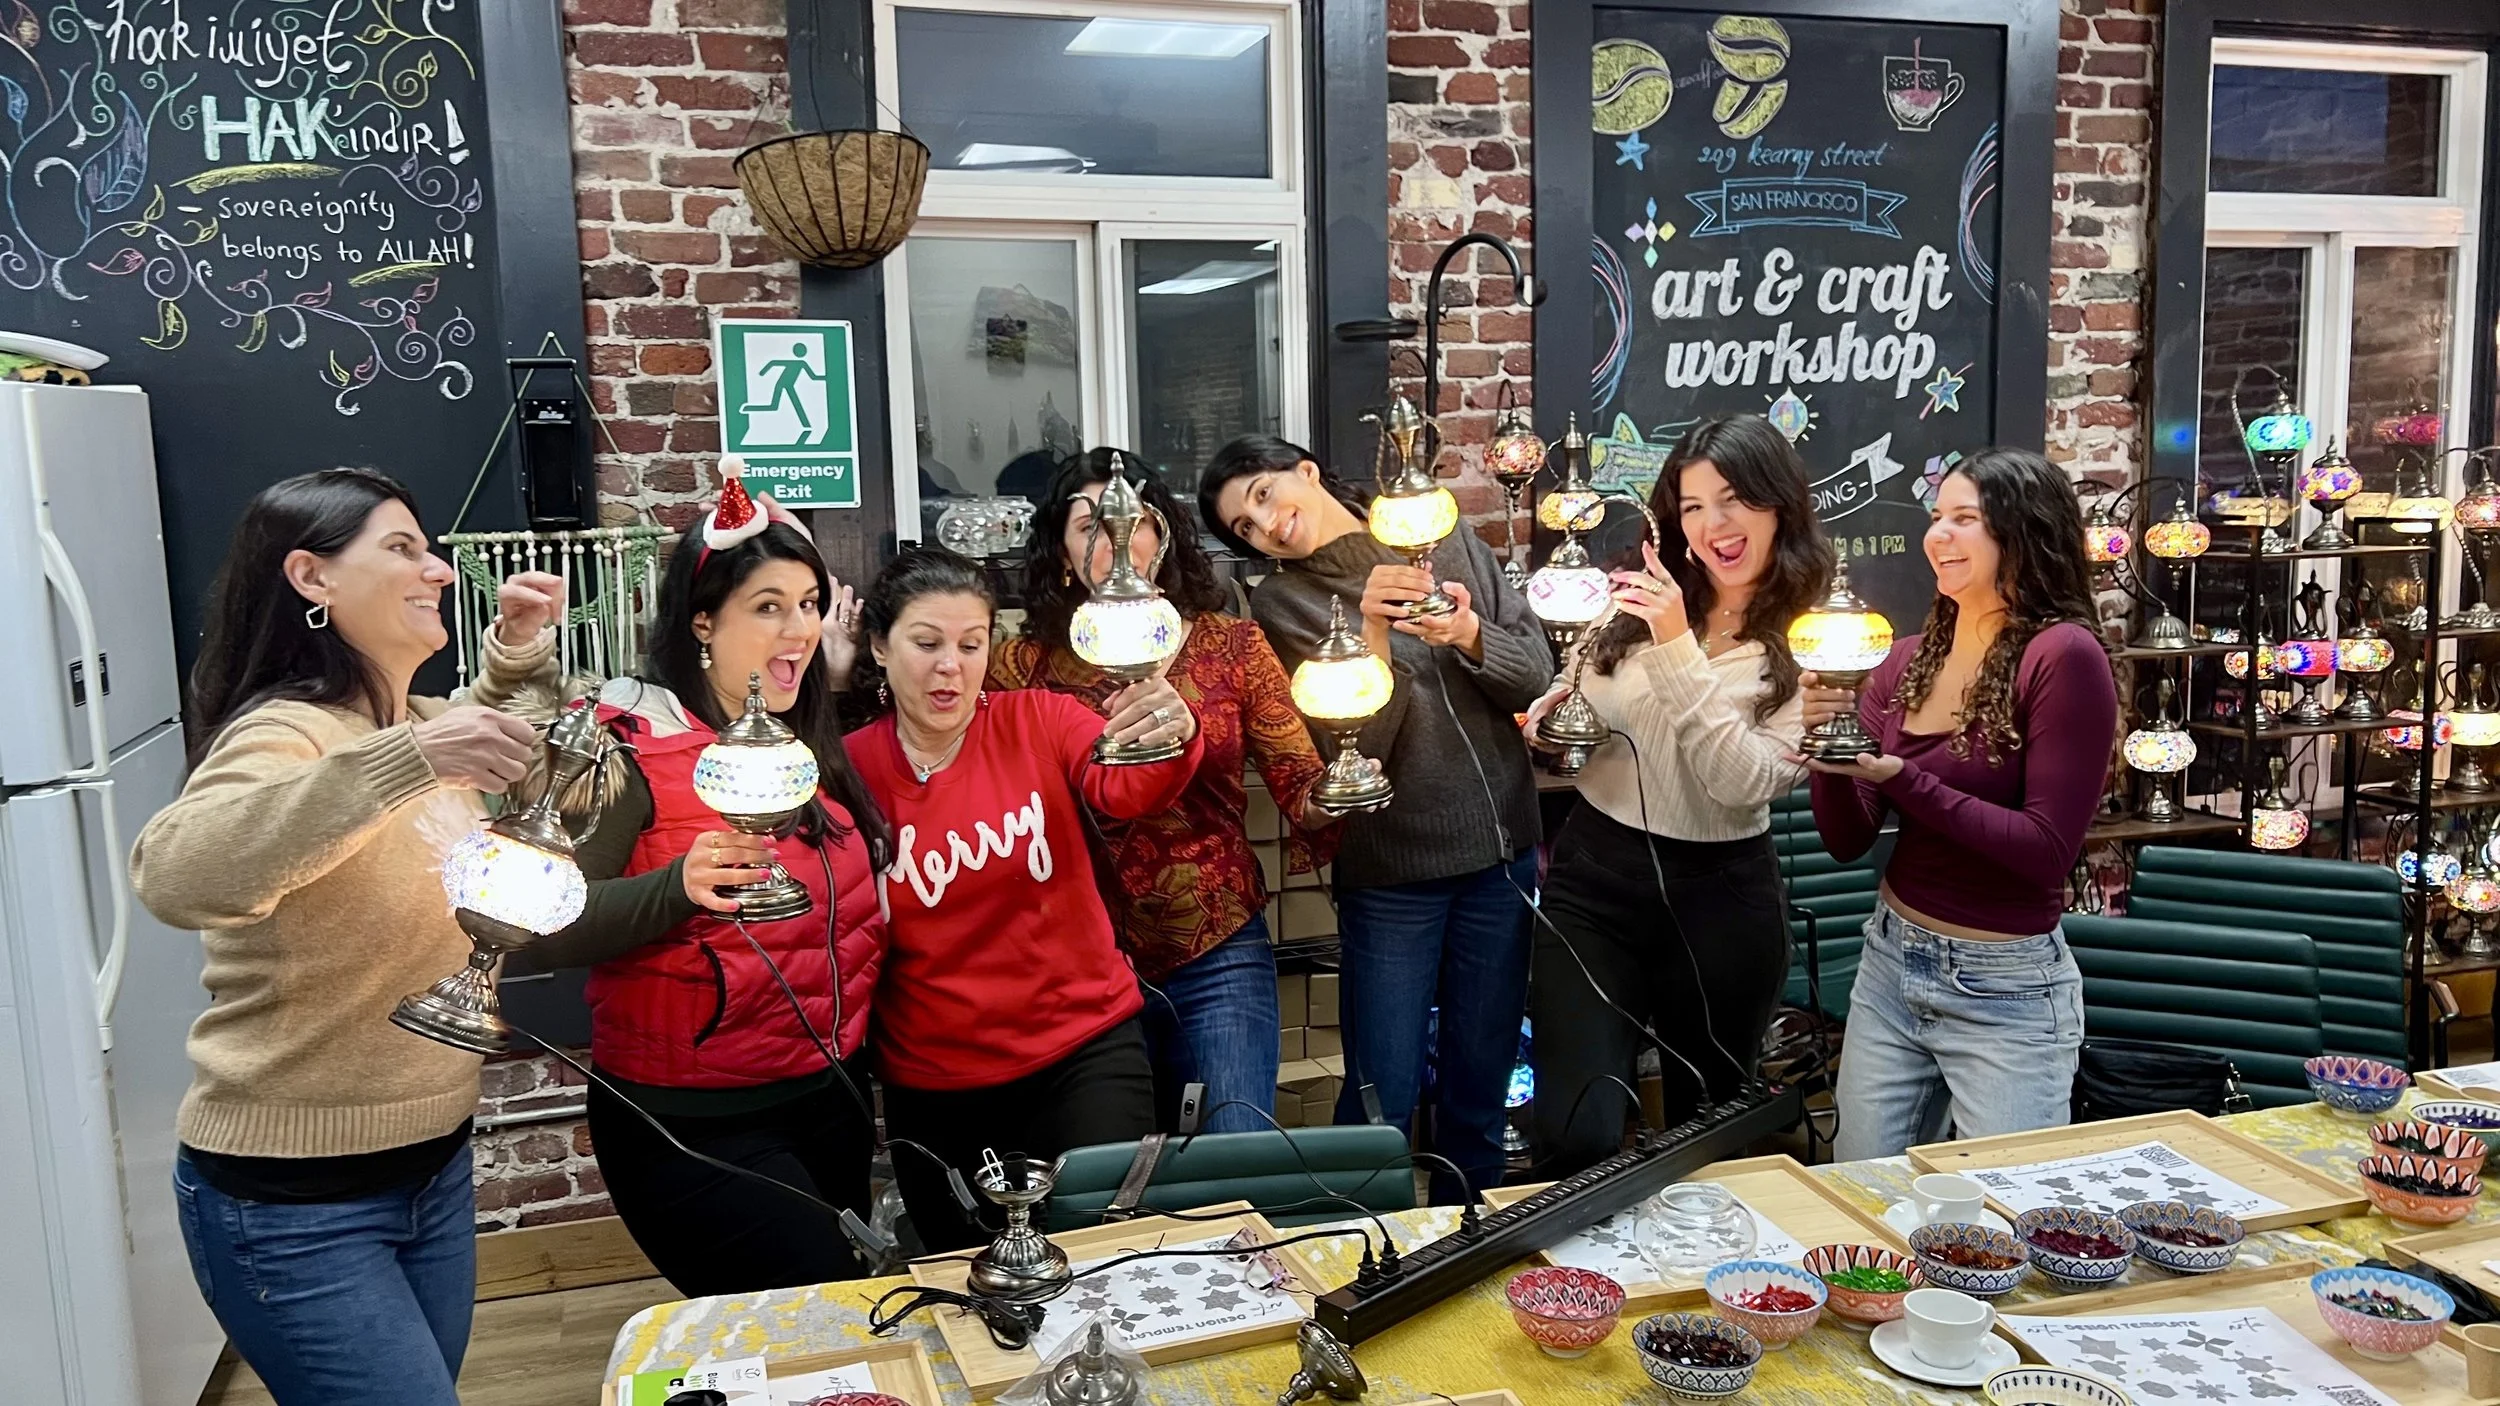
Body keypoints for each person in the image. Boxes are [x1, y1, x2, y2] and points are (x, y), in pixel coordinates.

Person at [131, 468, 541, 1406]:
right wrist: (411, 756)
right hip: (292, 1203)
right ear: (311, 578)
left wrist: (512, 656)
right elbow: (175, 871)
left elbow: (456, 737)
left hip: (433, 1169)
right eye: (401, 549)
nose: (438, 570)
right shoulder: (289, 734)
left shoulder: (415, 722)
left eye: (428, 549)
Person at [468, 471, 892, 1296]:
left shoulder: (807, 740)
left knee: (832, 1325)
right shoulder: (627, 747)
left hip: (829, 1100)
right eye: (767, 607)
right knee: (810, 1303)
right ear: (703, 621)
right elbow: (538, 926)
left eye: (809, 603)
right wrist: (676, 885)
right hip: (692, 1120)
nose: (799, 628)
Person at [1201, 435, 1554, 1202]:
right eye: (1244, 529)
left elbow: (1534, 673)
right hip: (1392, 874)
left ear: (1306, 471)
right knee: (1378, 1096)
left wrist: (1467, 635)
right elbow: (1354, 755)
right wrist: (1374, 636)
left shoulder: (1438, 531)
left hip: (1501, 856)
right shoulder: (1285, 601)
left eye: (1263, 496)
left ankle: (1472, 1242)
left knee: (1481, 1085)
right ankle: (1366, 1252)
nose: (1266, 525)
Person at [844, 545, 1203, 1251]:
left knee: (1106, 1252)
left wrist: (1170, 733)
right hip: (936, 1079)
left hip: (1083, 1050)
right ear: (881, 648)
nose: (951, 666)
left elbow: (1128, 787)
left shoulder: (1040, 719)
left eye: (970, 644)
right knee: (967, 1271)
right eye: (927, 644)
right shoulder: (849, 769)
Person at [1524, 415, 1833, 1173]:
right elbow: (1577, 687)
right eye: (1692, 506)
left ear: (1777, 504)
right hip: (1594, 876)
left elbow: (1742, 783)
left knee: (1708, 1132)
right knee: (1576, 1129)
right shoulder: (1647, 598)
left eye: (1733, 500)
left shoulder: (1817, 638)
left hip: (1720, 896)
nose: (1713, 525)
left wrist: (1675, 645)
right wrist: (1550, 718)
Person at [995, 450, 1334, 1134]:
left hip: (1215, 942)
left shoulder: (1232, 646)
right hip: (1080, 960)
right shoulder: (1021, 666)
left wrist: (1352, 776)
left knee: (1235, 1150)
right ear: (1063, 556)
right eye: (1089, 526)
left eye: (1135, 521)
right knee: (1113, 1171)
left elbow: (1300, 785)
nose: (1116, 539)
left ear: (1163, 535)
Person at [1803, 447, 2115, 1160]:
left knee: (2006, 1203)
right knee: (1863, 1195)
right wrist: (1831, 756)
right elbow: (1848, 841)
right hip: (1891, 963)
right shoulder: (1905, 660)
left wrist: (1899, 778)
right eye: (1936, 516)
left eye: (1964, 519)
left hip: (2005, 989)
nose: (1938, 535)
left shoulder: (2063, 656)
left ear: (2024, 533)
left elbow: (2046, 851)